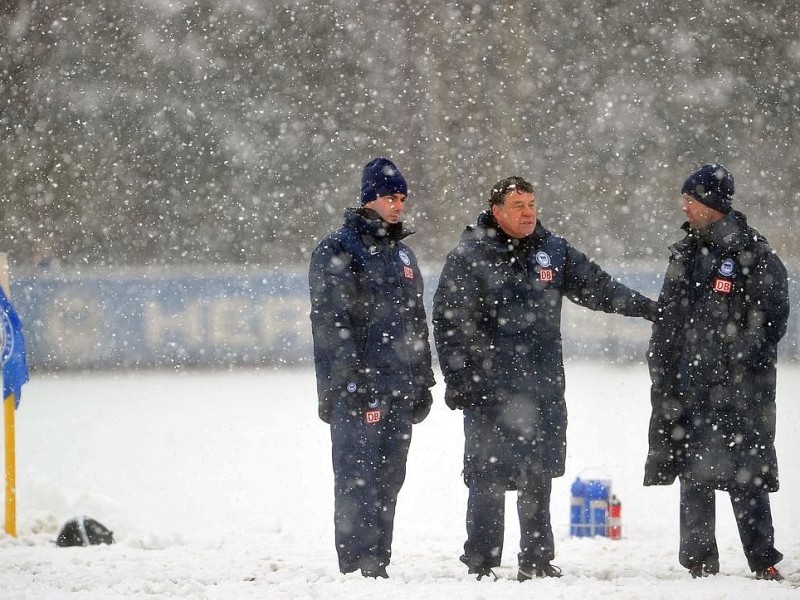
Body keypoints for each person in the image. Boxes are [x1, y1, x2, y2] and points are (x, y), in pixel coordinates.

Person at [432, 176, 658, 581]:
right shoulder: (469, 256)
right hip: (490, 388)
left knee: (538, 472)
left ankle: (536, 559)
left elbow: (598, 286)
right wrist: (459, 378)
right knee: (488, 476)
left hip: (542, 386)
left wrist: (646, 308)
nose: (528, 212)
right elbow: (449, 323)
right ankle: (481, 561)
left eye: (532, 203)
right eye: (518, 205)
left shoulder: (552, 250)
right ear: (497, 211)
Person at [644, 163, 790, 581]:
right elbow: (670, 318)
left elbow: (770, 323)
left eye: (691, 199)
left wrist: (728, 362)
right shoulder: (684, 252)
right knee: (693, 469)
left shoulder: (754, 254)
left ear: (712, 203)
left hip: (740, 390)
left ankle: (762, 558)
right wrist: (665, 363)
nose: (684, 206)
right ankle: (698, 561)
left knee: (747, 472)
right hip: (690, 386)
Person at [308, 157, 436, 579]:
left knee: (389, 478)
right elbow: (330, 321)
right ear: (368, 199)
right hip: (357, 390)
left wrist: (422, 380)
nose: (397, 205)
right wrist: (350, 377)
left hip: (399, 388)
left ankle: (377, 563)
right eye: (389, 197)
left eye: (401, 198)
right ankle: (355, 569)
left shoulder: (403, 255)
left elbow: (416, 321)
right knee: (356, 480)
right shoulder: (338, 249)